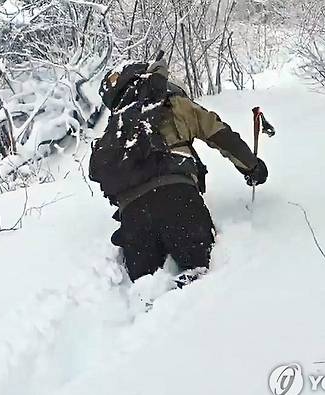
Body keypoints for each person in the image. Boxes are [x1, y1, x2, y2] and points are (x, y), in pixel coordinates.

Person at [89, 57, 270, 286]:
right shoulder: (173, 104)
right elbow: (221, 135)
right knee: (199, 283)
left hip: (133, 216)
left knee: (146, 290)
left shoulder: (116, 128)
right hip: (179, 199)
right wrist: (252, 167)